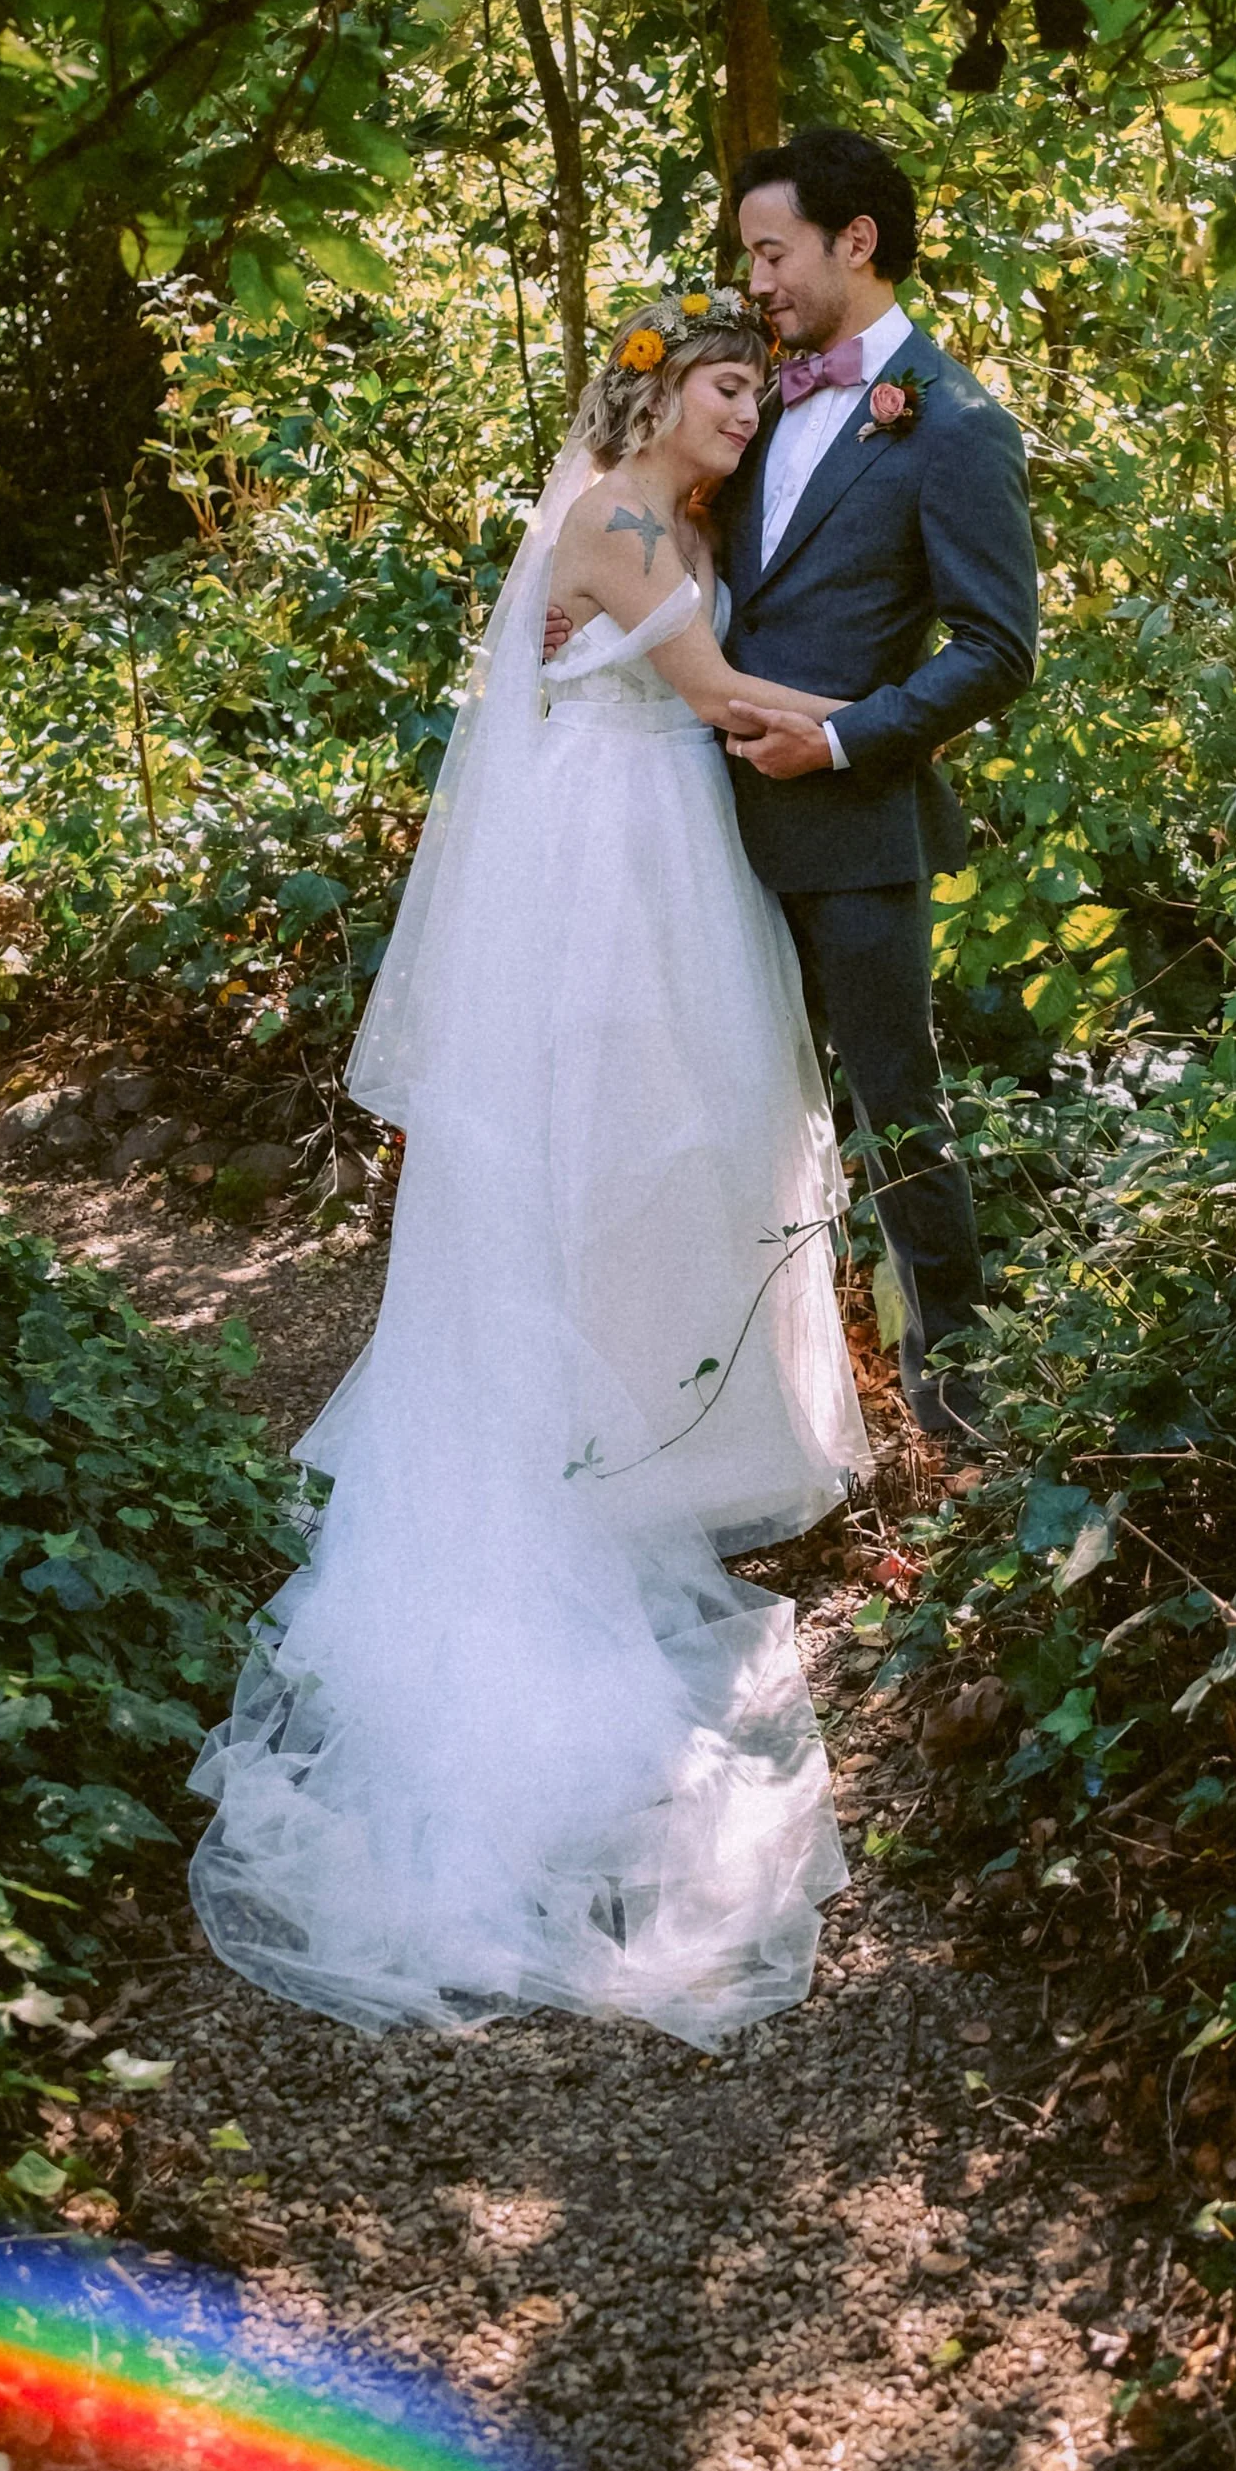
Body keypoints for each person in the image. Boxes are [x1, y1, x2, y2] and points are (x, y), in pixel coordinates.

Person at [189, 292, 873, 2050]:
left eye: (758, 391)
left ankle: (636, 1429)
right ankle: (565, 1460)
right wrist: (894, 724)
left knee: (687, 1158)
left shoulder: (679, 517)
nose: (747, 412)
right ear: (656, 397)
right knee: (598, 1155)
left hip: (665, 856)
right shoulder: (610, 518)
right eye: (729, 387)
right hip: (605, 872)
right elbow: (711, 692)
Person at [552, 126, 1038, 1436]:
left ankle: (960, 1411)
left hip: (852, 827)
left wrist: (839, 739)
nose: (755, 277)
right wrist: (582, 609)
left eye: (772, 250)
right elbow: (665, 528)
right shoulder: (752, 388)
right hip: (690, 820)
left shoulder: (958, 427)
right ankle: (711, 1407)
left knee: (897, 1114)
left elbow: (999, 650)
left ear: (854, 242)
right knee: (703, 1117)